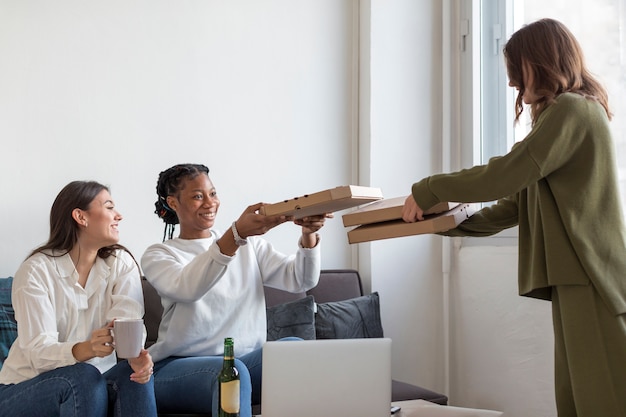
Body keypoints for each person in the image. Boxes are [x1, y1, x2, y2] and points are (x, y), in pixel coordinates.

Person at [402, 18, 626, 417]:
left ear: (539, 62)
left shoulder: (572, 110)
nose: (510, 84)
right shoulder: (561, 117)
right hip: (577, 278)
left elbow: (508, 172)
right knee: (576, 401)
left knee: (601, 400)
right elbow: (516, 205)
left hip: (591, 275)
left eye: (515, 71)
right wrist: (446, 224)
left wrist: (431, 188)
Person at [141, 163, 330, 416]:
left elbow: (300, 280)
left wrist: (308, 235)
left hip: (243, 364)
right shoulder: (160, 254)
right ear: (173, 203)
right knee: (231, 372)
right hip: (177, 369)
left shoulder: (248, 246)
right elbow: (188, 288)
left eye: (213, 193)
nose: (209, 203)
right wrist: (237, 234)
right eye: (198, 196)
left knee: (294, 349)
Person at [0, 181, 157, 417]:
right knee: (83, 375)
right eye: (109, 207)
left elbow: (128, 324)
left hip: (94, 382)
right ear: (80, 217)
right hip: (25, 387)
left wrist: (137, 358)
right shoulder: (36, 271)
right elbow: (37, 354)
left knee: (132, 376)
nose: (119, 215)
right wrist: (85, 349)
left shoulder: (121, 263)